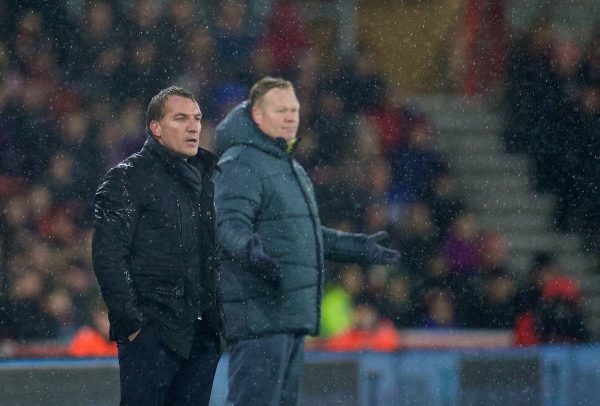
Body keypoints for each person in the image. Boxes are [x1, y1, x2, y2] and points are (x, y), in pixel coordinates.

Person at [214, 77, 401, 405]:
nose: (290, 117)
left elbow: (306, 235)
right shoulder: (240, 162)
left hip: (288, 313)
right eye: (280, 110)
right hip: (259, 313)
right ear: (257, 115)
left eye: (294, 109)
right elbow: (227, 225)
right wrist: (250, 250)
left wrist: (357, 247)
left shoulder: (291, 168)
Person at [92, 86, 224, 406]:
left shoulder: (209, 180)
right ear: (156, 128)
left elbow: (215, 253)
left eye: (197, 118)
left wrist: (219, 322)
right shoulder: (126, 179)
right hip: (153, 335)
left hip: (202, 336)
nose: (194, 126)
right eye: (180, 118)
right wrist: (135, 325)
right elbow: (108, 256)